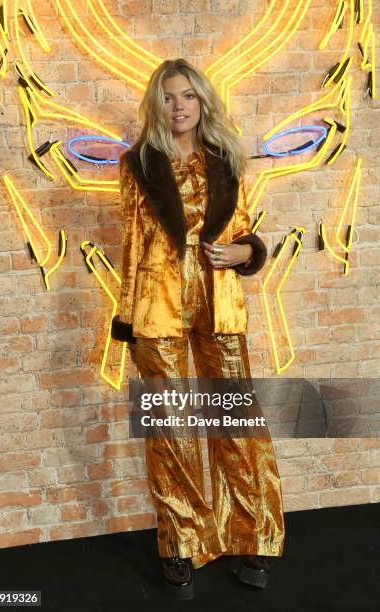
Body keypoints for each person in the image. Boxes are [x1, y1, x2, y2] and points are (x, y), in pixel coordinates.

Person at [111, 58, 285, 600]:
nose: (179, 106)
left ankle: (249, 535)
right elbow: (133, 241)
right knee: (171, 430)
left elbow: (247, 228)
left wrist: (246, 251)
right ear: (155, 105)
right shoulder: (138, 162)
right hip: (157, 306)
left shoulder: (229, 158)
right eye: (168, 97)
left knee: (236, 423)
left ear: (203, 101)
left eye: (188, 96)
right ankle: (181, 543)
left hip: (219, 302)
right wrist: (125, 316)